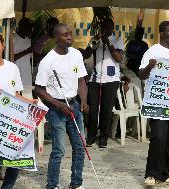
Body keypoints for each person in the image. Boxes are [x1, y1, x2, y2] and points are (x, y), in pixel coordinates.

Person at [34, 23, 89, 189]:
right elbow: (38, 89)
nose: (69, 37)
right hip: (56, 109)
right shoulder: (47, 61)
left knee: (80, 148)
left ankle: (76, 183)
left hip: (74, 105)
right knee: (59, 151)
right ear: (56, 37)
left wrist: (84, 101)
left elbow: (81, 81)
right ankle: (52, 185)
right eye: (65, 35)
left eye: (70, 34)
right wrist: (58, 104)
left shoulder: (76, 54)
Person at [0, 32, 37, 189]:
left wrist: (30, 101)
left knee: (15, 162)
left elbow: (15, 94)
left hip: (12, 122)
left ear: (3, 45)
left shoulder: (12, 67)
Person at [139, 21, 169, 186]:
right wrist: (149, 67)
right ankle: (151, 174)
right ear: (162, 33)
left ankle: (165, 174)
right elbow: (141, 75)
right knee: (158, 137)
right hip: (156, 102)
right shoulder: (152, 51)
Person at [86, 18, 124, 148]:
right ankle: (91, 135)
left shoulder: (117, 40)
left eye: (108, 28)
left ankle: (103, 137)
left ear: (112, 28)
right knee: (93, 109)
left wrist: (108, 43)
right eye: (103, 28)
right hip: (95, 78)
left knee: (106, 109)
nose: (106, 31)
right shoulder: (95, 40)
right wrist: (94, 41)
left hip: (111, 79)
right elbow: (86, 54)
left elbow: (119, 58)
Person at [14, 17, 34, 87]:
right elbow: (11, 58)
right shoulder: (13, 38)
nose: (31, 30)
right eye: (29, 28)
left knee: (27, 97)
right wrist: (27, 51)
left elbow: (29, 59)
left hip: (27, 76)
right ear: (23, 27)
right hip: (16, 75)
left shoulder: (29, 40)